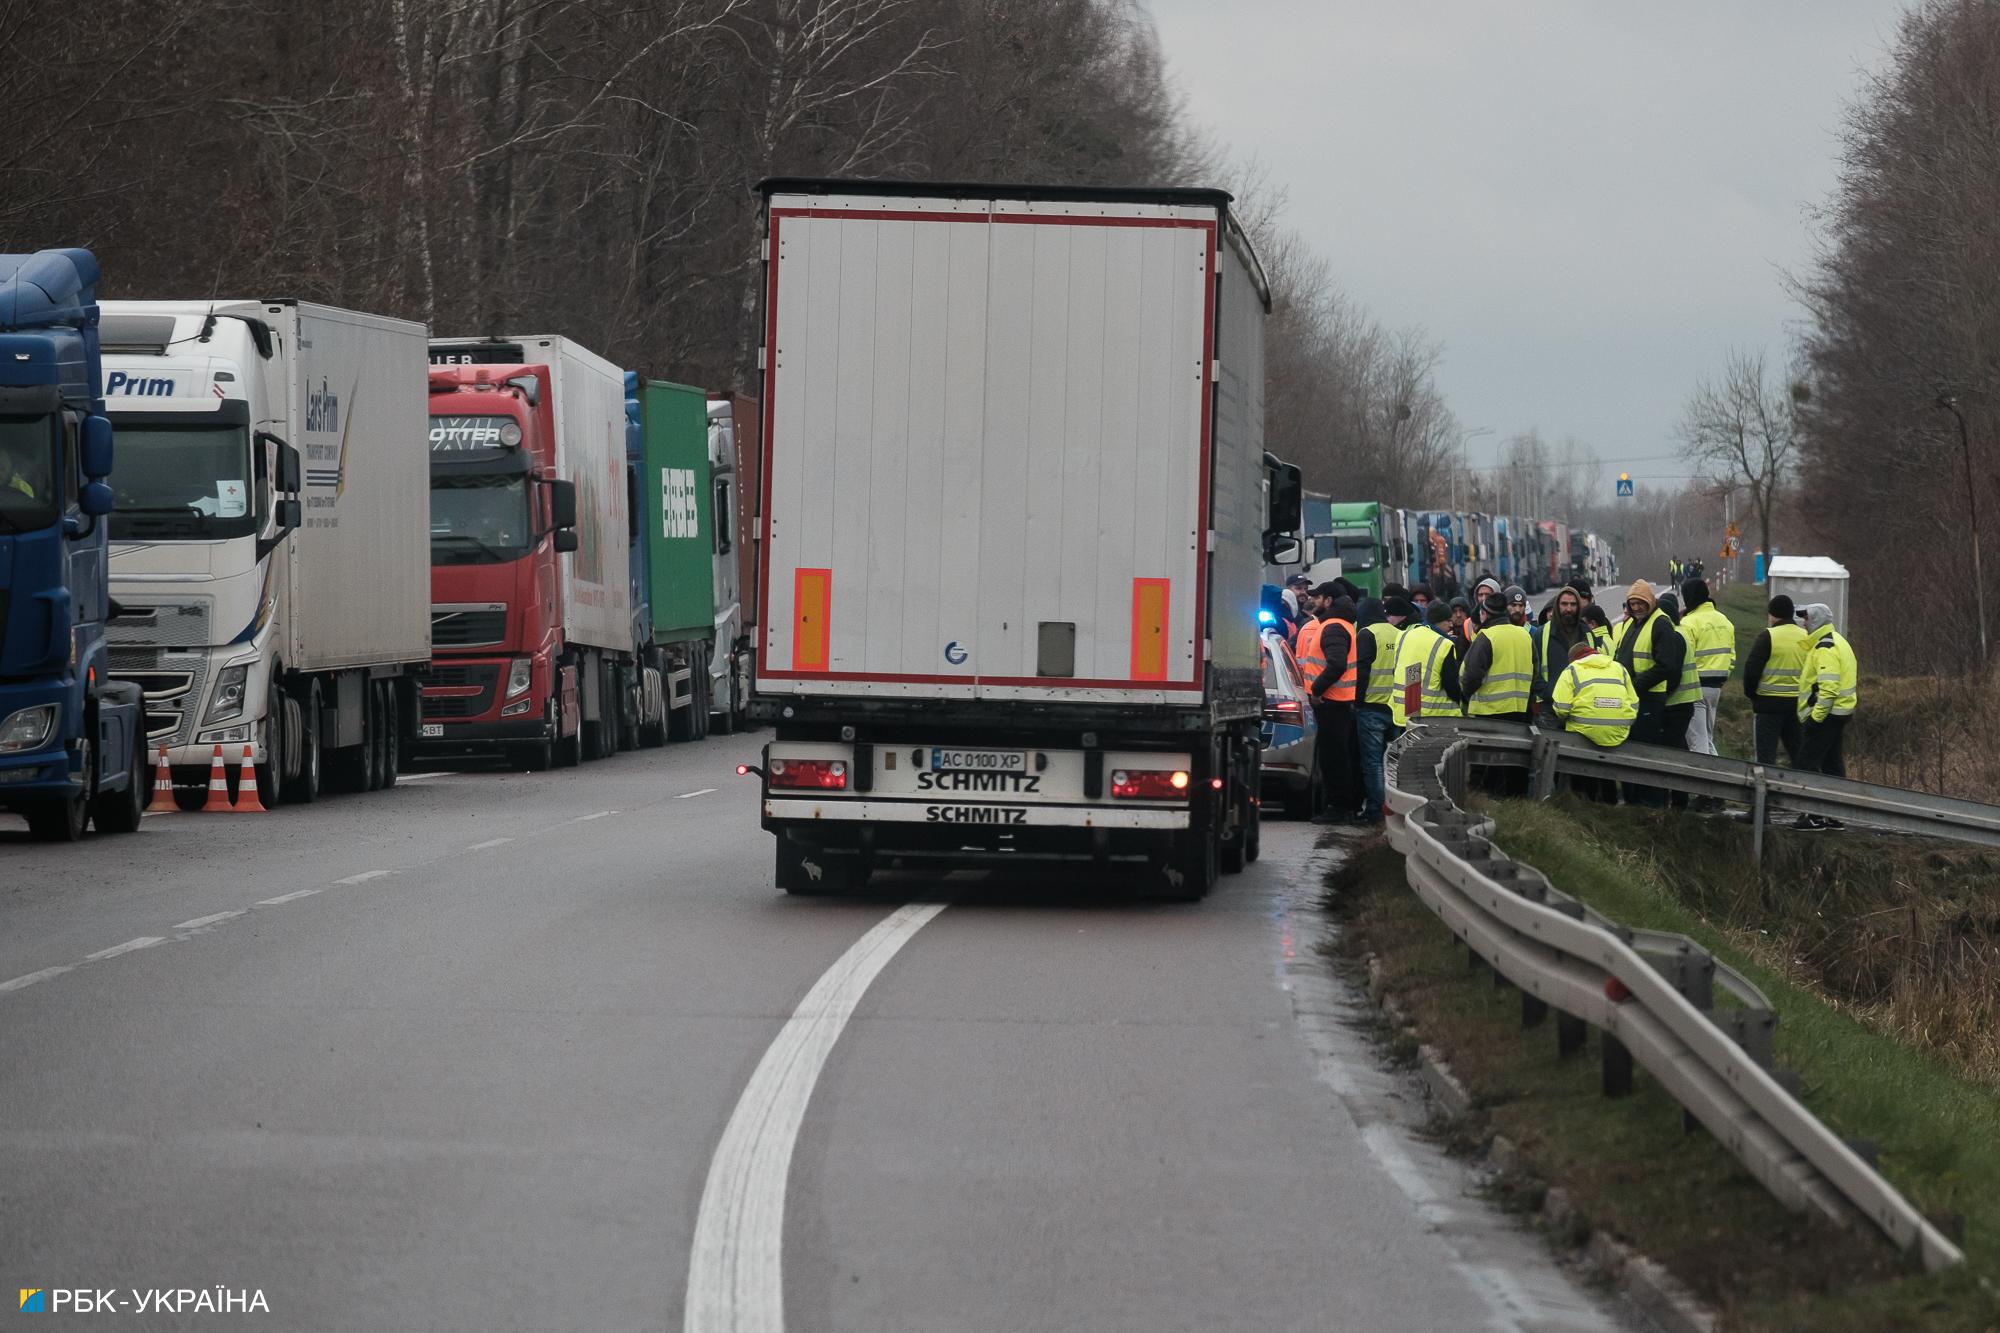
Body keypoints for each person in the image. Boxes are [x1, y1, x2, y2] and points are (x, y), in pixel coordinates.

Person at [1612, 580, 1690, 805]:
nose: (1636, 607)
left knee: (1647, 753)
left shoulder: (1660, 624)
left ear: (1650, 602)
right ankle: (1634, 800)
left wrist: (1636, 685)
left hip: (1648, 700)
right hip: (1630, 698)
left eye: (1640, 603)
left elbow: (1666, 665)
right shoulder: (1631, 624)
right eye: (1632, 603)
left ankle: (1652, 804)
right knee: (1630, 751)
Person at [1548, 640, 1639, 802]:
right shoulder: (1619, 668)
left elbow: (1561, 709)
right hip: (1618, 733)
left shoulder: (1572, 670)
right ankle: (1611, 802)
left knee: (1583, 771)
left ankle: (1586, 802)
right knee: (1608, 773)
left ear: (1573, 659)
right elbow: (1634, 703)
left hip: (1584, 733)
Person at [1307, 588, 1363, 824]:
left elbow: (1337, 664)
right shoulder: (1339, 624)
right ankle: (1342, 806)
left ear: (1328, 600)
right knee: (1338, 756)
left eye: (1318, 597)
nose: (1313, 601)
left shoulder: (1334, 627)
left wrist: (1318, 690)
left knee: (1334, 758)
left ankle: (1339, 809)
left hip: (1331, 702)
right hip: (1338, 701)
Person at [1353, 596, 1405, 824]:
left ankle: (1376, 810)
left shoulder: (1367, 634)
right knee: (1393, 761)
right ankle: (1395, 807)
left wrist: (1357, 701)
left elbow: (1362, 670)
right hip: (1396, 708)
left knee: (1373, 762)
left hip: (1372, 707)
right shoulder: (1399, 634)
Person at [1795, 602, 1858, 787]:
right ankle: (1833, 813)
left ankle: (1810, 812)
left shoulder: (1825, 647)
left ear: (1816, 621)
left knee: (1806, 764)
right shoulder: (1837, 641)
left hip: (1827, 715)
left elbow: (1829, 689)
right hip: (1839, 713)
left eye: (1806, 618)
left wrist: (1815, 720)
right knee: (1832, 766)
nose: (1804, 623)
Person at [1741, 594, 1806, 767]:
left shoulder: (1768, 636)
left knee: (1766, 758)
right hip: (1797, 706)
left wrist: (1753, 695)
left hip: (1768, 706)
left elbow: (1751, 671)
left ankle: (1766, 793)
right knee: (1799, 756)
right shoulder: (1806, 636)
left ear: (1772, 615)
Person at [1678, 578, 1736, 757]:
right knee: (1707, 739)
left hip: (1694, 689)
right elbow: (1731, 658)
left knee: (1698, 744)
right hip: (1716, 688)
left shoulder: (1689, 623)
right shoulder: (1725, 621)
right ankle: (1719, 776)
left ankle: (1705, 781)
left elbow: (1683, 657)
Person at [1390, 600, 1460, 730]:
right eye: (1448, 621)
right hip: (1432, 716)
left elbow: (1407, 671)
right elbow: (1451, 684)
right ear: (1439, 621)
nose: (1451, 624)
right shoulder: (1444, 644)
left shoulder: (1404, 635)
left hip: (1404, 711)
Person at [1531, 585, 1587, 714]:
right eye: (1564, 604)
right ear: (1557, 606)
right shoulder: (1542, 633)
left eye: (1573, 604)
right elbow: (1533, 669)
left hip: (1582, 707)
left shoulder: (1587, 633)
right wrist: (1548, 693)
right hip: (1550, 707)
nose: (1568, 609)